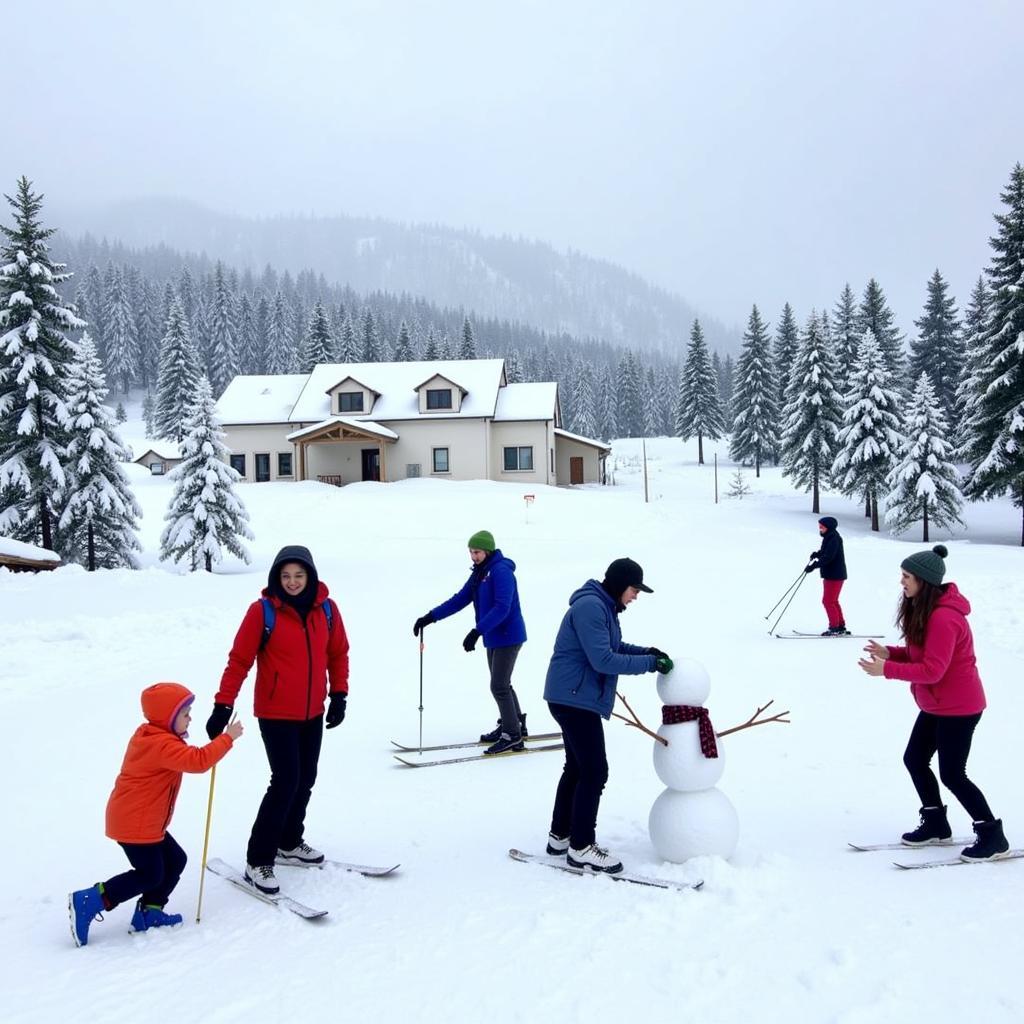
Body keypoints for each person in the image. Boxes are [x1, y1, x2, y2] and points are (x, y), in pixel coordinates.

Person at [208, 545, 350, 895]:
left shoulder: (327, 610)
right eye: (285, 576)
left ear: (310, 576)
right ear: (276, 578)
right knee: (285, 780)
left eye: (299, 576)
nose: (292, 582)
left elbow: (338, 653)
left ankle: (289, 841)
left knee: (306, 779)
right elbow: (239, 660)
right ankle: (258, 859)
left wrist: (339, 695)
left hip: (312, 710)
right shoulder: (263, 612)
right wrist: (223, 705)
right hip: (275, 712)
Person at [857, 544, 1009, 861]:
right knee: (914, 759)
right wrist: (891, 653)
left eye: (907, 576)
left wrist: (886, 670)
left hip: (960, 707)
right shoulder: (926, 610)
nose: (902, 582)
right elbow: (922, 656)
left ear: (924, 581)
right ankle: (937, 824)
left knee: (953, 774)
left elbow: (932, 670)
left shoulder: (944, 618)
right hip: (936, 705)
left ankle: (992, 835)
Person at [68, 683, 243, 947]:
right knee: (150, 874)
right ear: (168, 719)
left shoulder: (154, 737)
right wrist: (227, 738)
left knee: (175, 860)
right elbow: (197, 761)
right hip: (135, 823)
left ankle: (150, 912)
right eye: (185, 714)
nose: (190, 718)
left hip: (143, 820)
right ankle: (90, 900)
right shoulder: (160, 745)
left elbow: (190, 756)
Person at [542, 557, 672, 873]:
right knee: (595, 771)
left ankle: (561, 836)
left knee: (577, 767)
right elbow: (603, 660)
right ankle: (582, 846)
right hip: (574, 699)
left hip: (573, 696)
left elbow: (613, 646)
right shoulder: (591, 607)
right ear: (618, 584)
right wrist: (650, 666)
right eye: (634, 589)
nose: (636, 596)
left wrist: (646, 653)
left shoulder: (602, 607)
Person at [413, 530, 528, 755]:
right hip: (493, 636)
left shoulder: (501, 571)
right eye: (471, 552)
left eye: (476, 552)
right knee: (502, 684)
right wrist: (430, 617)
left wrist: (477, 631)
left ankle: (512, 735)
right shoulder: (480, 572)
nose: (473, 556)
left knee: (499, 685)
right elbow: (460, 598)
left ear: (487, 550)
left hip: (508, 635)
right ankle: (514, 725)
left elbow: (502, 607)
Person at [805, 515, 848, 635]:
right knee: (833, 601)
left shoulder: (834, 538)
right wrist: (817, 554)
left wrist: (814, 566)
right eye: (819, 527)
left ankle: (834, 627)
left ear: (828, 527)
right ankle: (839, 626)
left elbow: (829, 557)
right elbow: (825, 552)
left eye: (822, 527)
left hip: (834, 575)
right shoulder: (829, 537)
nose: (820, 529)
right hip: (833, 574)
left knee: (828, 601)